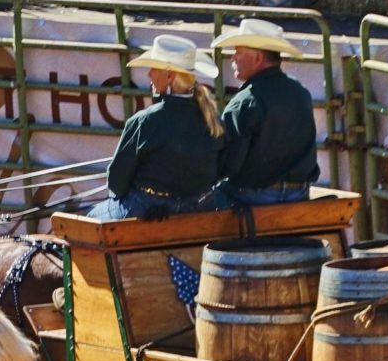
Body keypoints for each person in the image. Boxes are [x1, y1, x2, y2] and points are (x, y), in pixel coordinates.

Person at [87, 35, 223, 220]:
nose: (148, 74)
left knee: (88, 220)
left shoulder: (145, 121)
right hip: (199, 208)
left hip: (148, 208)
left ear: (169, 76)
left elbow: (117, 182)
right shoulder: (213, 120)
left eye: (154, 69)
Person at [210, 18, 318, 206]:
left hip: (255, 196)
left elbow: (229, 163)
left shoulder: (245, 102)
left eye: (238, 52)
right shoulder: (301, 93)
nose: (233, 58)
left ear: (258, 58)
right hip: (299, 193)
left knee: (207, 197)